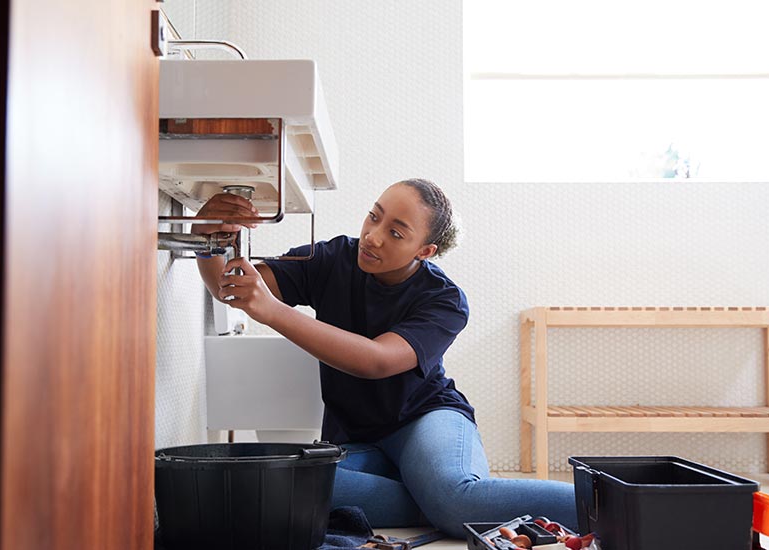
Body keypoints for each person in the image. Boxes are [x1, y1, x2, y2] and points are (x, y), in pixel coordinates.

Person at [193, 178, 576, 537]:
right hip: (357, 437)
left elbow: (375, 360)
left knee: (454, 497)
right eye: (374, 217)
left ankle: (600, 499)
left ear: (425, 251)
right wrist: (207, 235)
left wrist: (273, 312)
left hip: (425, 418)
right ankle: (431, 499)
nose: (373, 237)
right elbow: (232, 288)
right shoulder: (332, 258)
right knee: (282, 487)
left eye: (395, 233)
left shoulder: (444, 300)